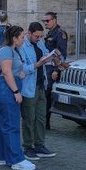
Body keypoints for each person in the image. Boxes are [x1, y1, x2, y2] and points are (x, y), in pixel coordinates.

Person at [0, 25, 35, 170]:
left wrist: (20, 74)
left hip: (6, 89)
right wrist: (16, 91)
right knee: (12, 125)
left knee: (2, 123)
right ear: (14, 38)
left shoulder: (13, 51)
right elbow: (7, 72)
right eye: (21, 37)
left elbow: (12, 71)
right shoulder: (6, 50)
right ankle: (16, 159)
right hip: (6, 90)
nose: (23, 39)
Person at [19, 22, 57, 160]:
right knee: (29, 117)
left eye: (40, 36)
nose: (38, 38)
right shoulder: (22, 46)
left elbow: (46, 55)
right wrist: (37, 65)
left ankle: (39, 145)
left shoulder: (40, 44)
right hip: (29, 86)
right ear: (29, 33)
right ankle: (28, 146)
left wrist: (54, 59)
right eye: (36, 36)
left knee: (41, 117)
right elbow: (22, 68)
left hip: (41, 84)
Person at [42, 12, 68, 129]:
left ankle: (46, 122)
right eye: (44, 21)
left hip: (52, 68)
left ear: (54, 20)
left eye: (47, 21)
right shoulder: (50, 33)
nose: (45, 23)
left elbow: (61, 54)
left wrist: (57, 70)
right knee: (45, 94)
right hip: (46, 67)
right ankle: (43, 120)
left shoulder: (60, 34)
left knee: (47, 95)